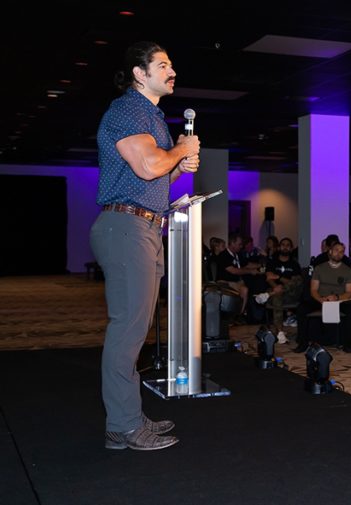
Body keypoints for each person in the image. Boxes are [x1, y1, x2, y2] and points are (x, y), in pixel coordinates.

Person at [90, 41, 201, 450]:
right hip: (126, 227)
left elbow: (154, 178)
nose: (172, 71)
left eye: (172, 65)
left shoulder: (151, 117)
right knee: (127, 332)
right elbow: (149, 164)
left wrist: (178, 164)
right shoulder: (126, 111)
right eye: (163, 65)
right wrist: (179, 152)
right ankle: (122, 425)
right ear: (140, 73)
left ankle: (128, 418)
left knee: (133, 332)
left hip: (145, 226)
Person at [293, 242, 351, 354]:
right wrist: (321, 300)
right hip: (320, 299)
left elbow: (349, 292)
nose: (339, 254)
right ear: (330, 252)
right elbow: (313, 290)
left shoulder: (347, 270)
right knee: (302, 309)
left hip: (339, 300)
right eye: (336, 250)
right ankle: (302, 343)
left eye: (341, 252)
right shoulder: (319, 268)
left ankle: (347, 344)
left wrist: (336, 297)